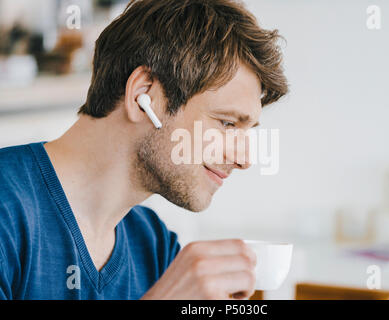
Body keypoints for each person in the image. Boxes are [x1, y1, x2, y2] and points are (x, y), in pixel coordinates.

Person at [0, 0, 288, 299]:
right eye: (227, 123)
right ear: (142, 96)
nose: (244, 160)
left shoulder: (154, 246)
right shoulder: (7, 212)